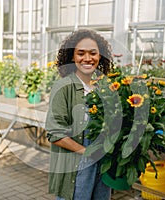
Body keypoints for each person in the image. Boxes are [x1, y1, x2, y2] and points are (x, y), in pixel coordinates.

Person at [45, 29, 114, 200]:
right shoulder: (64, 87)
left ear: (100, 56)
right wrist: (87, 151)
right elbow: (55, 134)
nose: (87, 58)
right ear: (72, 57)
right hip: (76, 164)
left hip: (102, 164)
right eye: (81, 53)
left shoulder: (104, 86)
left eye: (93, 53)